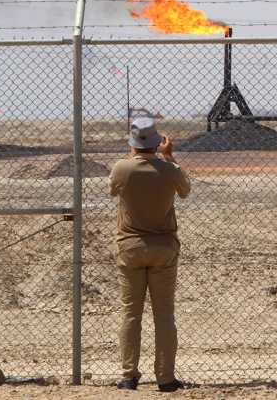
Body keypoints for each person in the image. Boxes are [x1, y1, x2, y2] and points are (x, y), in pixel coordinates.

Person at [109, 117, 191, 392]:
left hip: (130, 248)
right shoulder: (170, 170)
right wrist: (169, 157)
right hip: (163, 250)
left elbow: (113, 190)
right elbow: (186, 191)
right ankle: (166, 378)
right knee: (164, 315)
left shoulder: (121, 169)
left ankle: (128, 376)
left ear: (133, 144)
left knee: (131, 314)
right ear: (158, 142)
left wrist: (133, 156)